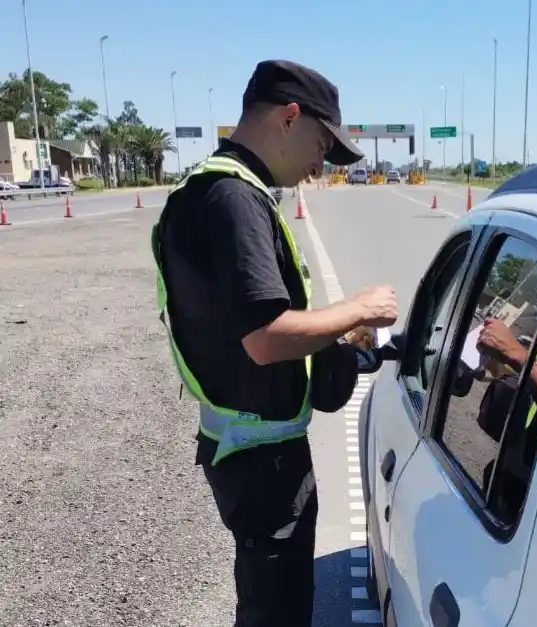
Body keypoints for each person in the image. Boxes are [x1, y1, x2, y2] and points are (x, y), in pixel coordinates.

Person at [150, 60, 399, 626]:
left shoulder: (211, 190)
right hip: (264, 464)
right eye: (321, 144)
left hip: (245, 448)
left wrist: (336, 330)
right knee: (277, 613)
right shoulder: (236, 201)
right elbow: (265, 339)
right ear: (290, 117)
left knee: (267, 607)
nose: (320, 165)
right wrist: (361, 307)